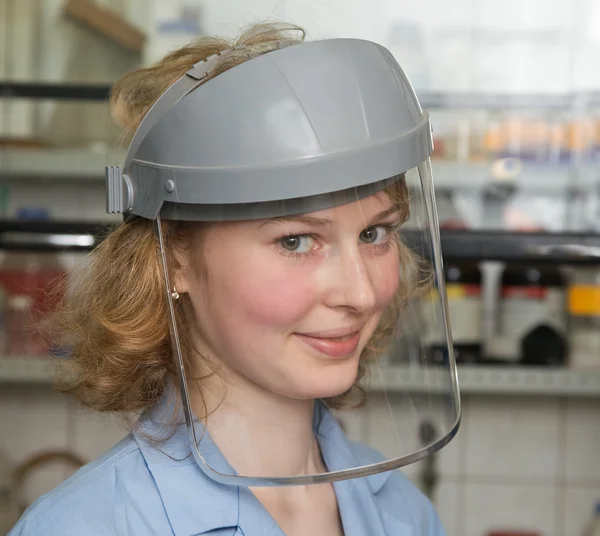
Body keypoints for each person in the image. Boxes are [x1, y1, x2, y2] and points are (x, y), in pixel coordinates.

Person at [9, 21, 460, 536]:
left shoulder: (404, 514)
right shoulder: (86, 527)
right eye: (295, 241)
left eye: (375, 234)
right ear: (173, 257)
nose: (360, 293)